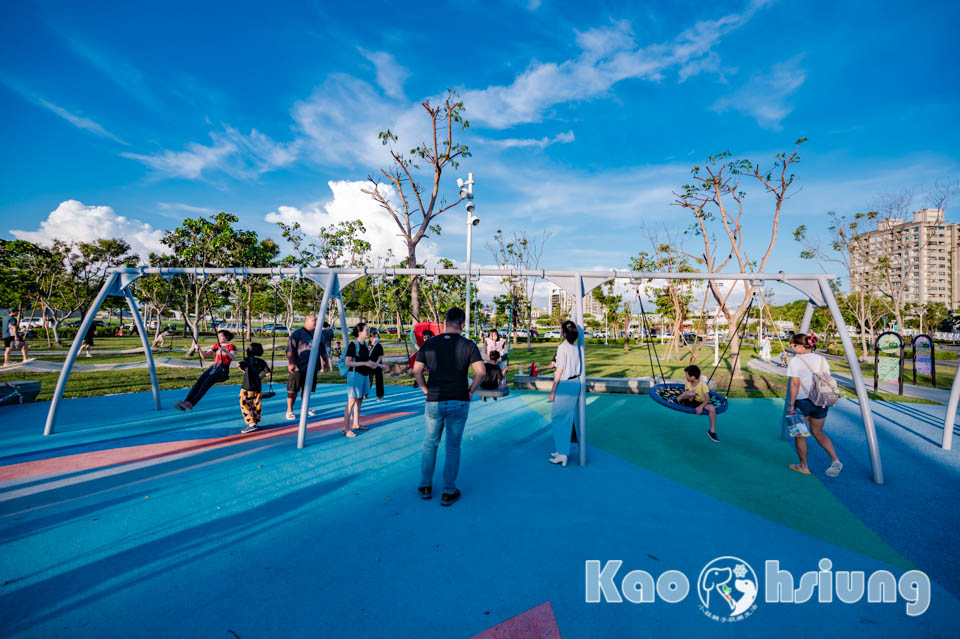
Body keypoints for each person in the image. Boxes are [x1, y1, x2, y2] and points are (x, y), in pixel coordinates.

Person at [412, 307, 486, 506]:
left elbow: (417, 371)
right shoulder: (468, 345)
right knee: (452, 446)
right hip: (458, 399)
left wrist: (425, 390)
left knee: (430, 442)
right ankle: (448, 491)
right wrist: (471, 390)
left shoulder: (429, 343)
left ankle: (425, 486)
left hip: (434, 400)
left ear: (445, 322)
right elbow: (481, 372)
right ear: (461, 324)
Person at [786, 333, 843, 477]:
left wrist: (791, 404)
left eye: (792, 345)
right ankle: (835, 459)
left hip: (803, 401)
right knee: (818, 432)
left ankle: (804, 466)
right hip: (822, 400)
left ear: (799, 346)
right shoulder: (822, 359)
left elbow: (795, 383)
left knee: (800, 434)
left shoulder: (795, 361)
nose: (791, 348)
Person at [343, 323, 388, 436]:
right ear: (360, 332)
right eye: (366, 330)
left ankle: (356, 424)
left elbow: (369, 361)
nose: (368, 332)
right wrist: (365, 363)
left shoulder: (364, 345)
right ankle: (346, 429)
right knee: (351, 400)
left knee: (359, 399)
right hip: (354, 375)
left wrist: (381, 366)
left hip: (363, 375)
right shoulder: (353, 345)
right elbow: (347, 362)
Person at [174, 329, 237, 411]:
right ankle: (186, 402)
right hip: (213, 367)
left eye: (220, 336)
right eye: (218, 337)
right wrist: (199, 349)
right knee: (198, 383)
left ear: (226, 337)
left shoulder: (231, 346)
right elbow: (205, 356)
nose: (218, 338)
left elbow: (233, 357)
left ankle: (191, 403)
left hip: (222, 369)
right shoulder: (216, 345)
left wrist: (225, 351)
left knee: (205, 385)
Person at [548, 320, 582, 466]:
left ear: (563, 332)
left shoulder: (562, 347)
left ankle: (562, 453)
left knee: (557, 417)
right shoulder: (576, 347)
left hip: (565, 385)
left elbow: (560, 371)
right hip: (575, 384)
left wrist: (552, 391)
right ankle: (561, 449)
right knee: (565, 418)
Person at [285, 313, 323, 420]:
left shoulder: (318, 334)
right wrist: (291, 362)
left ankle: (305, 407)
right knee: (293, 390)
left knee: (307, 390)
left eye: (316, 319)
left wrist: (325, 362)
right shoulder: (297, 334)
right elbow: (290, 350)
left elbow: (322, 349)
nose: (316, 322)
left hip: (312, 367)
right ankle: (289, 410)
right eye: (313, 320)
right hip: (298, 367)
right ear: (306, 321)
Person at [675, 364, 719, 442]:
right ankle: (676, 400)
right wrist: (690, 396)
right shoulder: (687, 383)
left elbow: (707, 398)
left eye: (687, 375)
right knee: (692, 393)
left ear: (693, 377)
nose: (685, 377)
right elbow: (686, 394)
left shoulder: (703, 385)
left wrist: (701, 406)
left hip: (699, 403)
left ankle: (712, 431)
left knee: (712, 408)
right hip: (689, 401)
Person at [238, 342, 271, 434]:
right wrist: (261, 376)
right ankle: (255, 421)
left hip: (247, 387)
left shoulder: (247, 360)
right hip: (257, 387)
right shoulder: (262, 362)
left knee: (245, 404)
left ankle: (251, 424)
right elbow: (268, 373)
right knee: (256, 404)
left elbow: (240, 366)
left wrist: (241, 367)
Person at [368, 328, 386, 401]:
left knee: (379, 380)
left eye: (377, 337)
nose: (377, 338)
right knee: (368, 380)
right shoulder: (368, 345)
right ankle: (365, 393)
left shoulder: (379, 346)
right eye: (375, 337)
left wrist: (377, 364)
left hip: (377, 366)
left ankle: (380, 395)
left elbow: (380, 356)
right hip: (369, 365)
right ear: (371, 338)